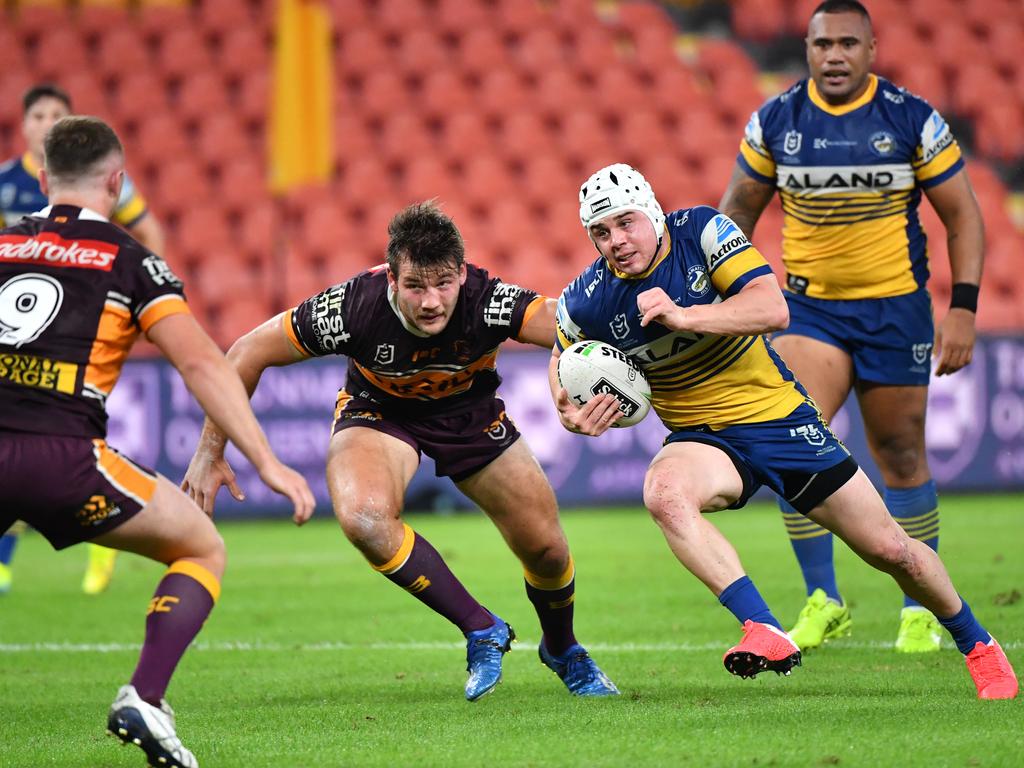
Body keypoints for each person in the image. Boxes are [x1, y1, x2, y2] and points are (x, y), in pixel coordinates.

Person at [551, 162, 1016, 699]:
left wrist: (687, 315)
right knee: (664, 492)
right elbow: (563, 357)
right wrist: (566, 407)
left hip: (780, 419)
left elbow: (772, 308)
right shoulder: (587, 298)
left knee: (893, 552)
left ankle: (978, 643)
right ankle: (762, 626)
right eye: (600, 232)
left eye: (625, 222)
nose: (616, 240)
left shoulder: (701, 232)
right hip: (704, 438)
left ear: (651, 211)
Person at [183, 201, 619, 701]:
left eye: (442, 284)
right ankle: (482, 629)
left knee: (546, 549)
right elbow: (244, 353)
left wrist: (566, 388)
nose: (430, 300)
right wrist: (209, 451)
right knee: (364, 518)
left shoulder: (491, 301)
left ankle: (562, 650)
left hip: (471, 416)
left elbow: (569, 330)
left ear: (461, 273)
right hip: (379, 413)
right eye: (415, 286)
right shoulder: (350, 307)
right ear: (391, 278)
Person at [0, 116, 316, 768]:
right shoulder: (131, 262)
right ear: (117, 182)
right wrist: (266, 460)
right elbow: (202, 364)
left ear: (41, 178)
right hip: (62, 458)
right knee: (200, 545)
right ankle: (144, 697)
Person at [717, 0, 985, 653]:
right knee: (796, 440)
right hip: (812, 309)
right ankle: (823, 599)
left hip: (897, 308)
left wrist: (965, 307)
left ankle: (919, 606)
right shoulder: (776, 121)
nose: (833, 55)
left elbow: (966, 217)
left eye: (846, 43)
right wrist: (731, 305)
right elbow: (734, 219)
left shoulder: (911, 119)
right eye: (821, 44)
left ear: (871, 49)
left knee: (899, 453)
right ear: (807, 50)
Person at [0, 83, 169, 596]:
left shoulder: (102, 181)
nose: (47, 121)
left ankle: (100, 530)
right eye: (39, 114)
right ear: (24, 124)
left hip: (81, 330)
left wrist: (150, 297)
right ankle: (13, 558)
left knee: (56, 433)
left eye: (58, 114)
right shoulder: (5, 183)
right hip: (20, 329)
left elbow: (148, 232)